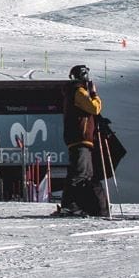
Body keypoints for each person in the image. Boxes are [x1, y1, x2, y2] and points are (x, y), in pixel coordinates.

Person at [58, 65, 107, 217]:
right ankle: (69, 205)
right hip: (80, 138)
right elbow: (94, 108)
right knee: (79, 174)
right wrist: (94, 93)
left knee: (85, 175)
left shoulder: (74, 91)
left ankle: (83, 205)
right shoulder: (78, 91)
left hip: (81, 139)